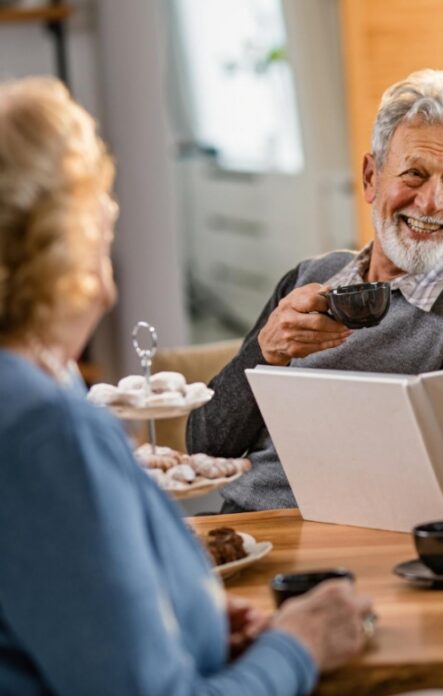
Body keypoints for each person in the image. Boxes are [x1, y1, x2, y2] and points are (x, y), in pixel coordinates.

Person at [0, 77, 374, 694]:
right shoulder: (49, 431)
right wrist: (296, 648)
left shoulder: (33, 390)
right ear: (71, 242)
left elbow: (62, 617)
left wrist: (186, 621)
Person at [188, 69, 443, 512]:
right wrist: (265, 353)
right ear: (371, 178)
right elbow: (206, 448)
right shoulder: (308, 277)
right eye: (414, 174)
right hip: (246, 527)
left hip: (364, 541)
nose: (431, 203)